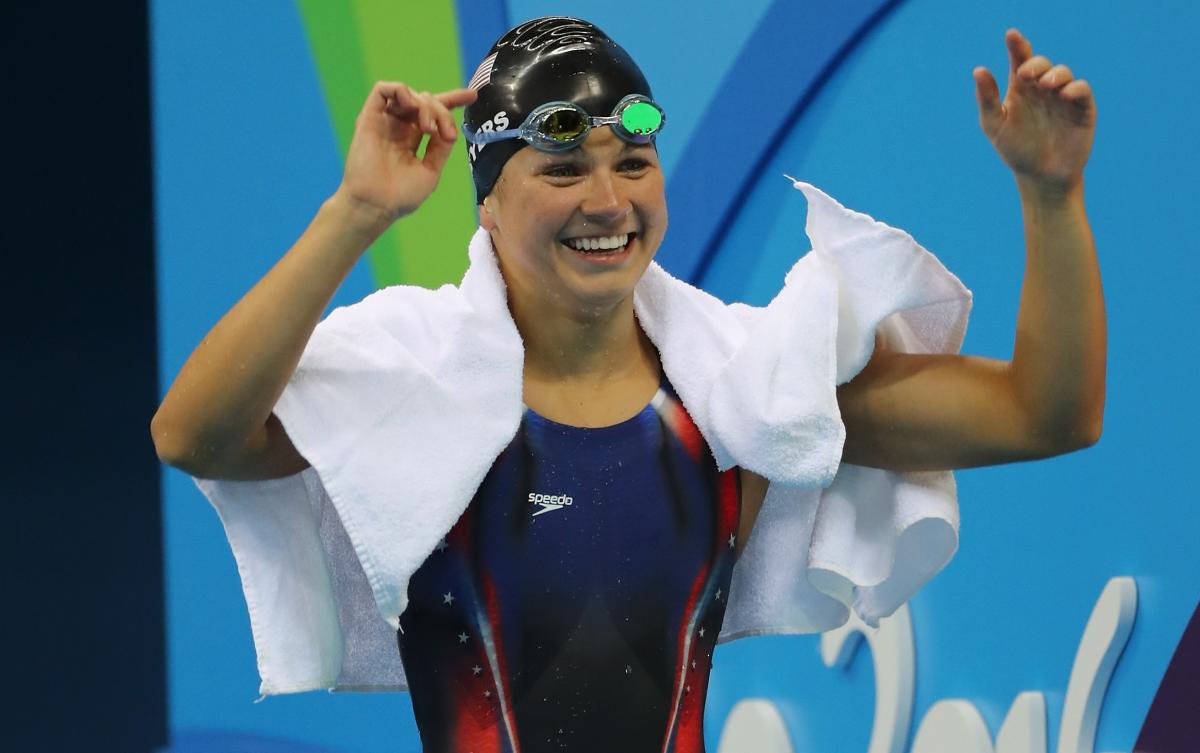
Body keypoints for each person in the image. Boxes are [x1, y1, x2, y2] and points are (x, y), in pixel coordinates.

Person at [151, 16, 1103, 753]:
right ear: (487, 200)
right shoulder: (413, 380)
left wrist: (1053, 200)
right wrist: (355, 213)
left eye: (633, 165)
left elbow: (1043, 415)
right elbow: (194, 435)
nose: (608, 203)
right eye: (563, 168)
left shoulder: (744, 389)